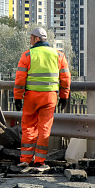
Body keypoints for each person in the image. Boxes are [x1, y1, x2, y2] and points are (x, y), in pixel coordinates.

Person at [14, 27, 71, 171]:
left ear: (37, 39)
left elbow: (20, 78)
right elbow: (65, 78)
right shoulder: (58, 55)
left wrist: (17, 97)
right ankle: (39, 161)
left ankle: (25, 160)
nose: (30, 40)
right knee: (44, 128)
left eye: (31, 38)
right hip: (50, 96)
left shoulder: (27, 55)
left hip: (32, 97)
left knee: (28, 128)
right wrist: (64, 96)